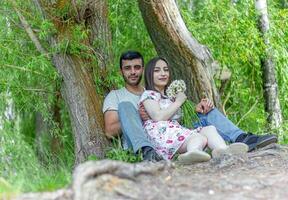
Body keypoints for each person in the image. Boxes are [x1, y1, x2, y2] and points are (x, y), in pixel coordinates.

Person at [103, 50, 277, 162]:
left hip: (174, 129)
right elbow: (110, 130)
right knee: (127, 106)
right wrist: (138, 117)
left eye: (136, 67)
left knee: (206, 114)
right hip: (152, 136)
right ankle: (147, 154)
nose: (133, 71)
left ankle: (241, 139)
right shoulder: (117, 96)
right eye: (128, 68)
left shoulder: (160, 93)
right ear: (121, 71)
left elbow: (174, 118)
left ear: (142, 70)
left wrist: (194, 110)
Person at [139, 57, 249, 163]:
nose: (163, 73)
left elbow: (179, 118)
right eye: (157, 71)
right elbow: (158, 116)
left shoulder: (169, 97)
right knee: (197, 137)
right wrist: (178, 102)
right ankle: (193, 153)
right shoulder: (149, 94)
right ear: (149, 74)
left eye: (166, 70)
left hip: (175, 132)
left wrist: (196, 108)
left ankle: (223, 150)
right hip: (162, 135)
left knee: (209, 129)